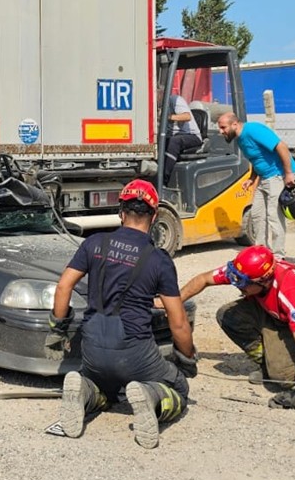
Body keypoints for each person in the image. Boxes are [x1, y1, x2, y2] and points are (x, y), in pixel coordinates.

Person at [47, 179, 197, 449]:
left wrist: (57, 329)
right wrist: (186, 360)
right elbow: (178, 321)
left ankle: (83, 390)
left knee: (106, 389)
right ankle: (150, 395)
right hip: (134, 350)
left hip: (92, 347)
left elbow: (63, 286)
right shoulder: (158, 259)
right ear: (153, 216)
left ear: (121, 212)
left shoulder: (93, 244)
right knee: (179, 389)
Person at [180, 245, 295, 410]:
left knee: (283, 375)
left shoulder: (290, 291)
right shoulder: (247, 272)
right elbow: (204, 279)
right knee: (229, 315)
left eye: (242, 283)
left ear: (263, 281)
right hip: (275, 313)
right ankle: (267, 365)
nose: (236, 284)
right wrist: (172, 302)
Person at [216, 112, 295, 258]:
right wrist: (252, 178)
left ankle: (279, 255)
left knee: (273, 215)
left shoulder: (253, 130)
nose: (220, 131)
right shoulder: (239, 138)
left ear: (234, 124)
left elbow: (282, 146)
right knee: (257, 214)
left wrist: (288, 174)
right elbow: (257, 158)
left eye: (223, 127)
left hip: (278, 175)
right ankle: (262, 252)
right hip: (263, 177)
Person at [162, 93, 203, 186]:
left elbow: (187, 116)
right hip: (173, 135)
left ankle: (163, 179)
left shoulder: (175, 100)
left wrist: (168, 117)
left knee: (174, 141)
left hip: (191, 135)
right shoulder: (157, 106)